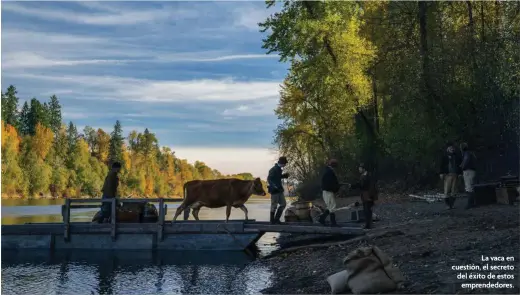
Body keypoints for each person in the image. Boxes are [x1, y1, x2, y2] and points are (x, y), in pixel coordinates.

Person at [350, 163, 378, 229]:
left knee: (368, 209)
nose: (359, 169)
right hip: (364, 194)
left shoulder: (369, 176)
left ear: (364, 169)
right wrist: (352, 186)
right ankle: (367, 224)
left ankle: (369, 224)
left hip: (368, 194)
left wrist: (371, 196)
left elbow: (371, 186)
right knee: (365, 209)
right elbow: (360, 184)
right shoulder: (362, 176)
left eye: (360, 168)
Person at [267, 156, 290, 224]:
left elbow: (277, 177)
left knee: (283, 204)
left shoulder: (279, 169)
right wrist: (274, 186)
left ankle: (276, 219)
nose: (285, 164)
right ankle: (272, 221)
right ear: (282, 163)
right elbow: (269, 179)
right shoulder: (273, 169)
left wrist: (283, 176)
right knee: (274, 205)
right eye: (285, 163)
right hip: (274, 190)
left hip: (279, 190)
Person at [439, 143, 462, 209]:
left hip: (455, 175)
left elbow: (460, 165)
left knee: (454, 191)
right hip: (447, 175)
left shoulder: (457, 156)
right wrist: (441, 173)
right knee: (446, 190)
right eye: (450, 148)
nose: (452, 149)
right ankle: (448, 204)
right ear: (447, 149)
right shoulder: (445, 156)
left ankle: (451, 204)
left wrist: (460, 173)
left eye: (453, 148)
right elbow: (442, 165)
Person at [319, 159, 341, 227]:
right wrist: (335, 188)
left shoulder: (328, 171)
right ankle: (333, 223)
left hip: (327, 191)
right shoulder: (329, 172)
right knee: (332, 207)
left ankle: (322, 219)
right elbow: (330, 183)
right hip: (328, 191)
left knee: (330, 206)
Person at [460, 142, 477, 209]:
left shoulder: (466, 153)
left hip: (468, 171)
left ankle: (470, 204)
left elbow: (466, 160)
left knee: (469, 187)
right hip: (472, 171)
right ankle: (472, 203)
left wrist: (462, 166)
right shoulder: (471, 153)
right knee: (471, 187)